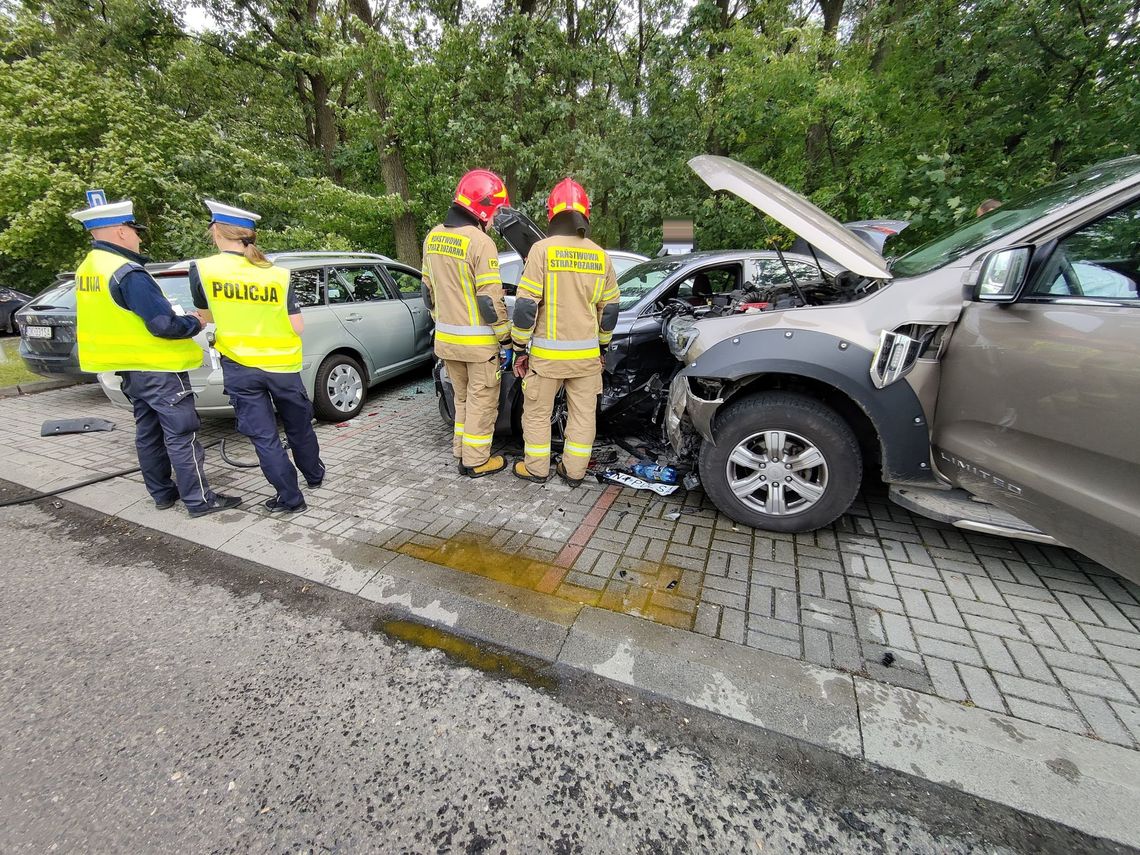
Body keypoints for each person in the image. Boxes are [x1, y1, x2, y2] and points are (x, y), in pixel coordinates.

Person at [71, 193, 242, 516]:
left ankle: (163, 494)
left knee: (147, 434)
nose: (137, 237)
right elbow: (162, 323)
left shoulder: (89, 268)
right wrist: (194, 322)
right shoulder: (127, 272)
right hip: (159, 368)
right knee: (181, 434)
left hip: (129, 369)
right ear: (121, 231)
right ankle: (199, 500)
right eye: (135, 230)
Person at [189, 200, 325, 514]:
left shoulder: (203, 269)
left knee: (265, 437)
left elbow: (206, 316)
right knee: (299, 426)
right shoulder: (277, 274)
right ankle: (314, 475)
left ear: (216, 233)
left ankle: (291, 499)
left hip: (240, 367)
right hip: (283, 366)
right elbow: (297, 325)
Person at [510, 178, 619, 487]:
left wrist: (519, 349)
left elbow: (526, 307)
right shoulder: (601, 256)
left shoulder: (541, 251)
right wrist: (602, 349)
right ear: (585, 213)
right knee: (583, 416)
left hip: (546, 359)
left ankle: (537, 469)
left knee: (536, 414)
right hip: (585, 359)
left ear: (551, 213)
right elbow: (609, 312)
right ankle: (573, 472)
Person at [421, 170, 513, 477]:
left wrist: (445, 321)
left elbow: (427, 292)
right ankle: (476, 462)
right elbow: (489, 302)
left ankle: (462, 450)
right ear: (484, 207)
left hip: (446, 342)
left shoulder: (433, 237)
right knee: (482, 403)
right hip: (478, 347)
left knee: (461, 399)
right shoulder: (480, 242)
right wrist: (506, 339)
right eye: (496, 210)